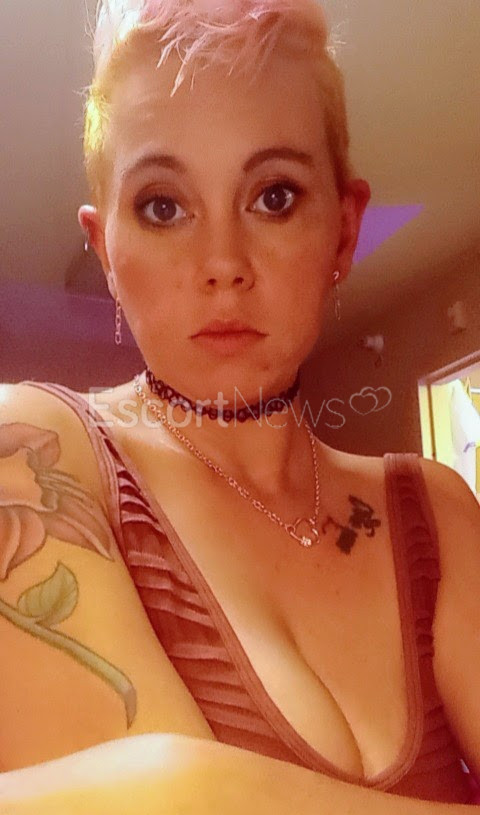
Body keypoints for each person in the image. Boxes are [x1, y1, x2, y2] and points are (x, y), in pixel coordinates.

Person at [1, 0, 480, 811]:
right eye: (162, 206)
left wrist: (193, 780)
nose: (222, 262)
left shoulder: (436, 509)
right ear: (106, 249)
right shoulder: (31, 454)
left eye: (275, 196)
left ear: (343, 231)